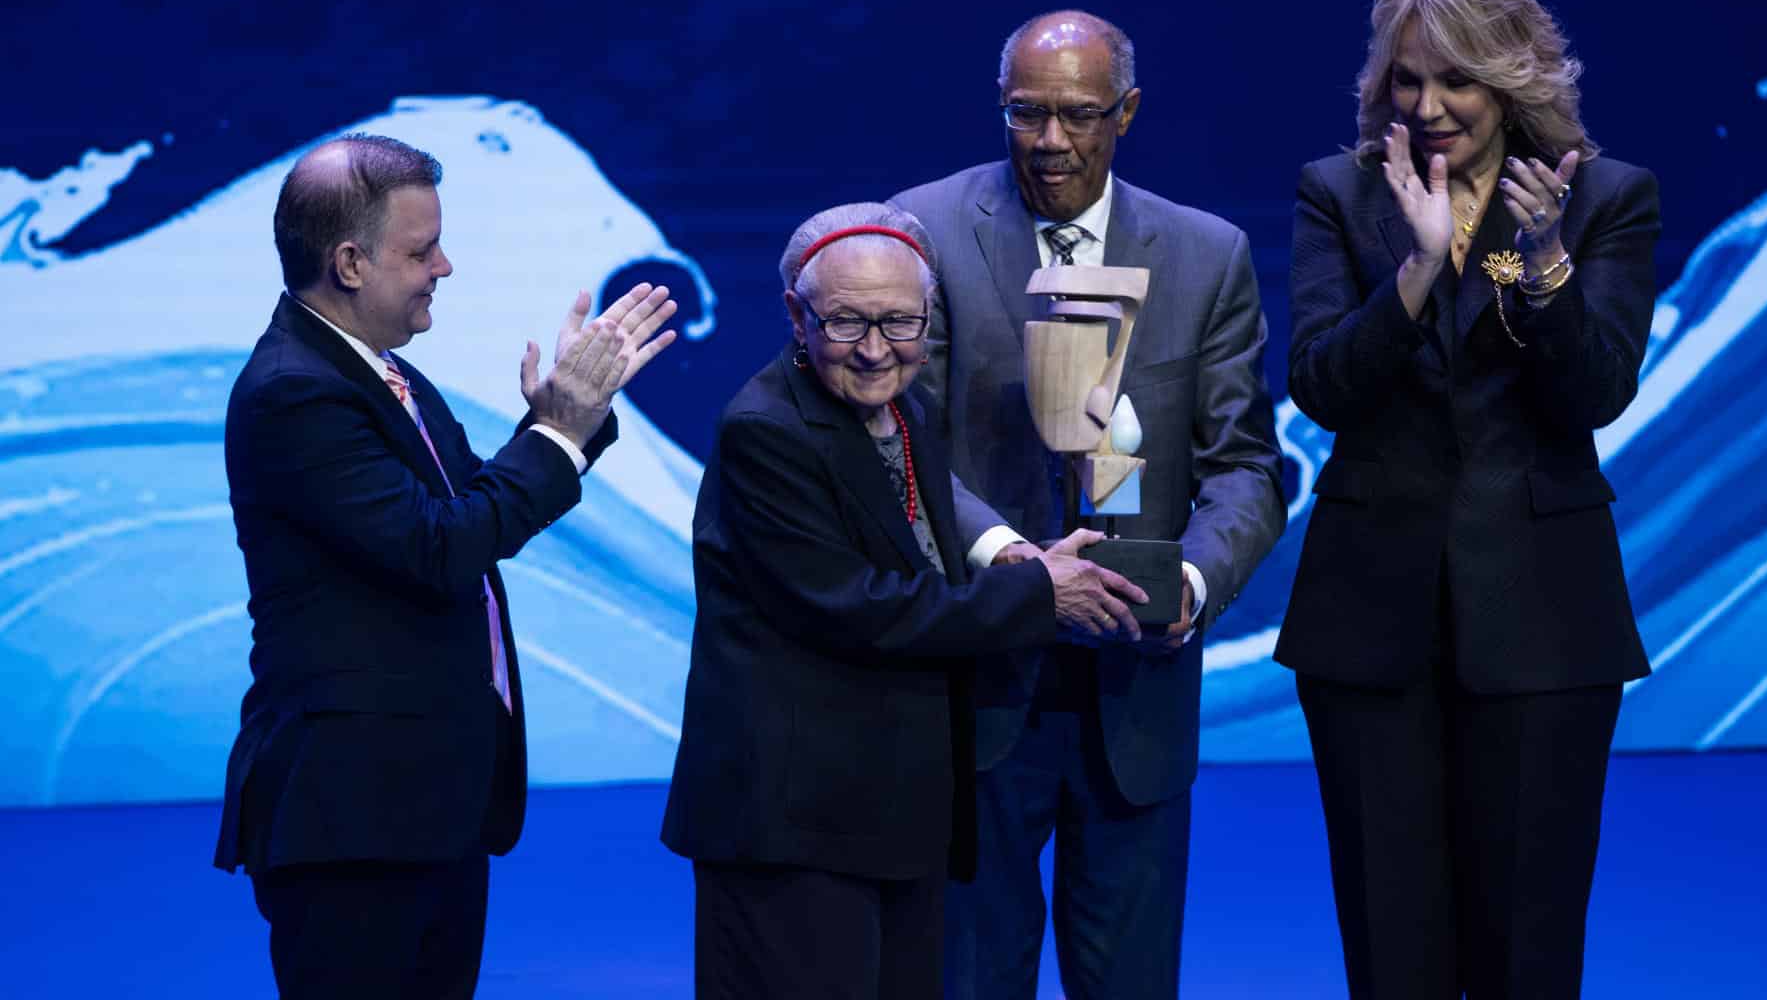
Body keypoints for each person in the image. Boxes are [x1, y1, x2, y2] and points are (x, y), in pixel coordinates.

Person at [1275, 0, 1661, 998]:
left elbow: (1594, 396)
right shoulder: (1340, 194)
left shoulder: (1603, 199)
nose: (1431, 104)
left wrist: (1542, 269)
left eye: (1458, 78)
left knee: (1524, 948)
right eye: (1410, 77)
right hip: (1368, 622)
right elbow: (1320, 386)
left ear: (1515, 75)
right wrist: (1413, 267)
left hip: (1544, 622)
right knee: (1391, 947)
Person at [213, 133, 678, 998]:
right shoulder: (294, 393)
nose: (446, 266)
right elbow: (441, 549)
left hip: (427, 806)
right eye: (422, 250)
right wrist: (557, 435)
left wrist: (567, 418)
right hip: (352, 817)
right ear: (350, 262)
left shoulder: (387, 375)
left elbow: (469, 513)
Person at [660, 202, 1150, 999]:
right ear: (796, 314)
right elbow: (858, 607)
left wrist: (1028, 561)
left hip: (889, 809)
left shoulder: (906, 407)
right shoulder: (767, 430)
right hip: (794, 823)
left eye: (900, 322)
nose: (877, 350)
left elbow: (928, 557)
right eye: (847, 323)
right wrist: (1036, 595)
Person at [892, 13, 1286, 1000]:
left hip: (1137, 687)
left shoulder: (1206, 255)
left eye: (1078, 115)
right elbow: (905, 443)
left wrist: (1190, 581)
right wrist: (1010, 564)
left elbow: (1243, 465)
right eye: (1027, 114)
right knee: (971, 977)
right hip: (982, 672)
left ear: (1128, 113)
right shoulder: (925, 232)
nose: (1051, 141)